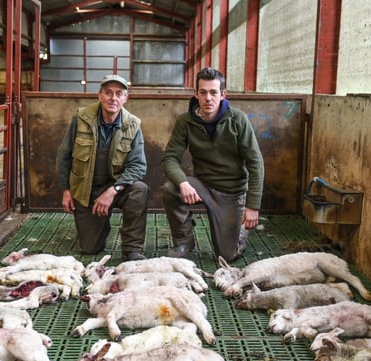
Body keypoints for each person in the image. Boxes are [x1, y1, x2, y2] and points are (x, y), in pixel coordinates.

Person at [160, 67, 264, 261]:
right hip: (203, 185)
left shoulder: (237, 120)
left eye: (214, 92)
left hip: (232, 191)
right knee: (170, 188)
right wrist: (183, 183)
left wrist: (253, 206)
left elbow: (255, 163)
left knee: (227, 255)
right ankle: (184, 241)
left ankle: (240, 227)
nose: (208, 98)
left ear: (223, 94)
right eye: (203, 92)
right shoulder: (186, 122)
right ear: (196, 94)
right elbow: (169, 158)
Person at [56, 74, 149, 261]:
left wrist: (113, 190)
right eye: (108, 93)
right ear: (99, 95)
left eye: (119, 93)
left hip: (117, 187)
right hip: (87, 190)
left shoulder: (133, 124)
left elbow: (138, 166)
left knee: (139, 190)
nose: (113, 98)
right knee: (90, 248)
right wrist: (66, 189)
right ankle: (100, 224)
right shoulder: (81, 118)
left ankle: (132, 249)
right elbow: (63, 155)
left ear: (125, 98)